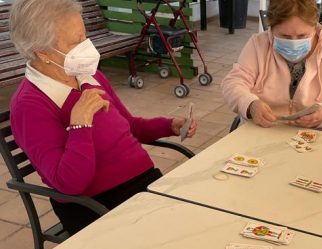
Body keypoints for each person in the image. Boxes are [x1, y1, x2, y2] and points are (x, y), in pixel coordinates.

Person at [9, 0, 197, 235]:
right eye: (76, 41)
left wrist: (169, 125)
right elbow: (69, 184)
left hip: (143, 184)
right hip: (97, 206)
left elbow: (130, 126)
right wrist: (80, 124)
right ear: (43, 52)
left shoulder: (87, 75)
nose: (86, 46)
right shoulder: (29, 106)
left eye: (84, 36)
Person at [221, 0, 322, 135]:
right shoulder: (258, 45)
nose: (294, 42)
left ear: (315, 27)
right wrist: (250, 104)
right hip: (264, 132)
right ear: (271, 29)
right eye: (284, 36)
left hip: (319, 137)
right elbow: (233, 83)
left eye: (303, 35)